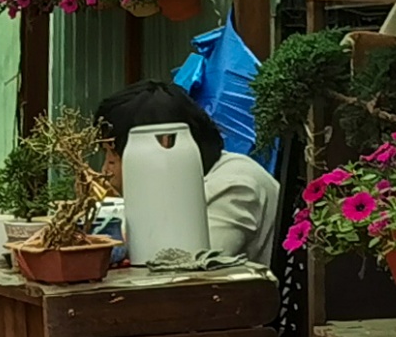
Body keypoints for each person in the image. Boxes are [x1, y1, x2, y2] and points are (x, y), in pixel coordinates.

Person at [96, 79, 285, 265]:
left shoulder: (234, 185)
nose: (105, 171)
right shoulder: (181, 189)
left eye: (112, 156)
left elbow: (190, 267)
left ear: (163, 143)